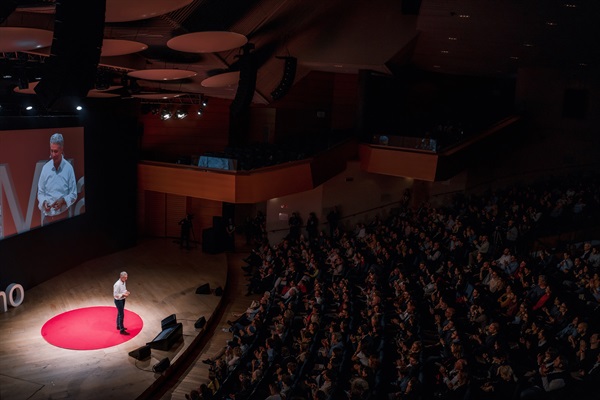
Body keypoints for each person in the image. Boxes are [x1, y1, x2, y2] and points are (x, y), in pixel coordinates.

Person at [37, 133, 77, 225]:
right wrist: (44, 202)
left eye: (56, 151)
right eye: (51, 151)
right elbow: (40, 192)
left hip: (63, 217)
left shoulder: (68, 168)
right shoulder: (45, 168)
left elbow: (73, 194)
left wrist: (62, 201)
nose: (53, 154)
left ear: (62, 149)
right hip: (47, 219)